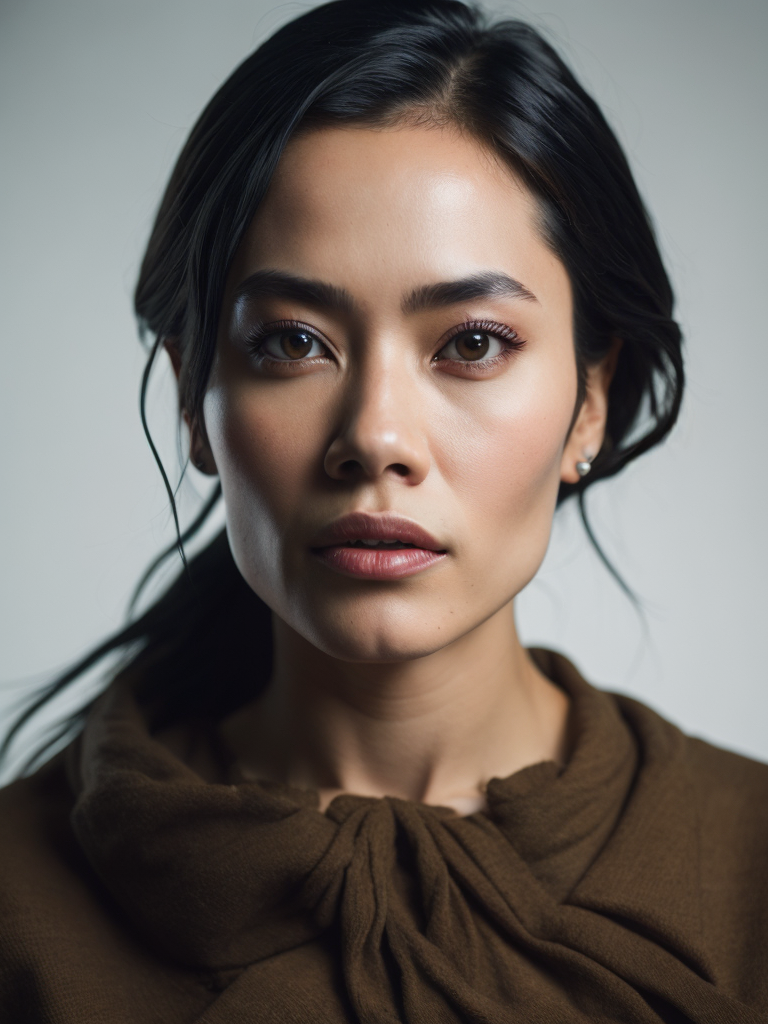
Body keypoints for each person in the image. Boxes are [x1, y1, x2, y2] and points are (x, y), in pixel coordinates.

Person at [1, 1, 766, 1020]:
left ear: (590, 400)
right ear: (193, 398)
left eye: (473, 343)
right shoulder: (21, 900)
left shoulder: (752, 869)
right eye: (293, 341)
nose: (376, 435)